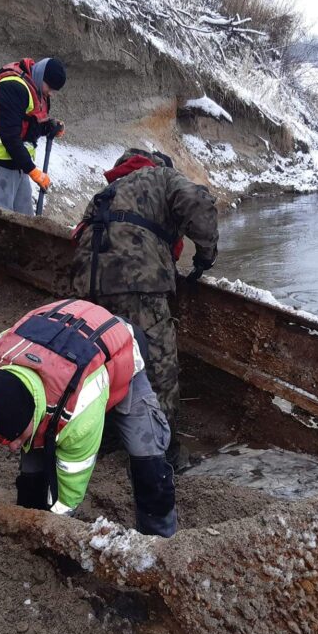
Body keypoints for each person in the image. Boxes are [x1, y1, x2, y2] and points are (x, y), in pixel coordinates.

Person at [0, 299, 178, 537]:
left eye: (15, 438)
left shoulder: (80, 416)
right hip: (58, 334)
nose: (12, 447)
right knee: (33, 465)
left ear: (33, 413)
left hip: (118, 353)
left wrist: (50, 526)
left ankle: (159, 539)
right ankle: (29, 507)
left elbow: (69, 496)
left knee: (148, 460)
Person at [68, 148, 218, 471]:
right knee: (158, 368)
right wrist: (206, 254)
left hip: (86, 289)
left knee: (103, 364)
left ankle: (106, 441)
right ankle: (165, 455)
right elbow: (198, 202)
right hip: (135, 282)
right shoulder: (160, 176)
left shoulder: (103, 194)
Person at [0, 57, 67, 214]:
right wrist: (32, 170)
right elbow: (10, 136)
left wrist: (49, 127)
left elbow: (29, 124)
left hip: (17, 164)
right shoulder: (13, 86)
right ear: (41, 77)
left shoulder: (36, 88)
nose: (50, 94)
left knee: (25, 223)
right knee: (3, 223)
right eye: (50, 88)